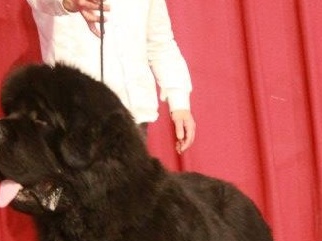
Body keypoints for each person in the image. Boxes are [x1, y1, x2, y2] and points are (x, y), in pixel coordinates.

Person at [26, 0, 196, 153]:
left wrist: (179, 102)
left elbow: (160, 43)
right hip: (70, 122)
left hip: (132, 120)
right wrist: (68, 3)